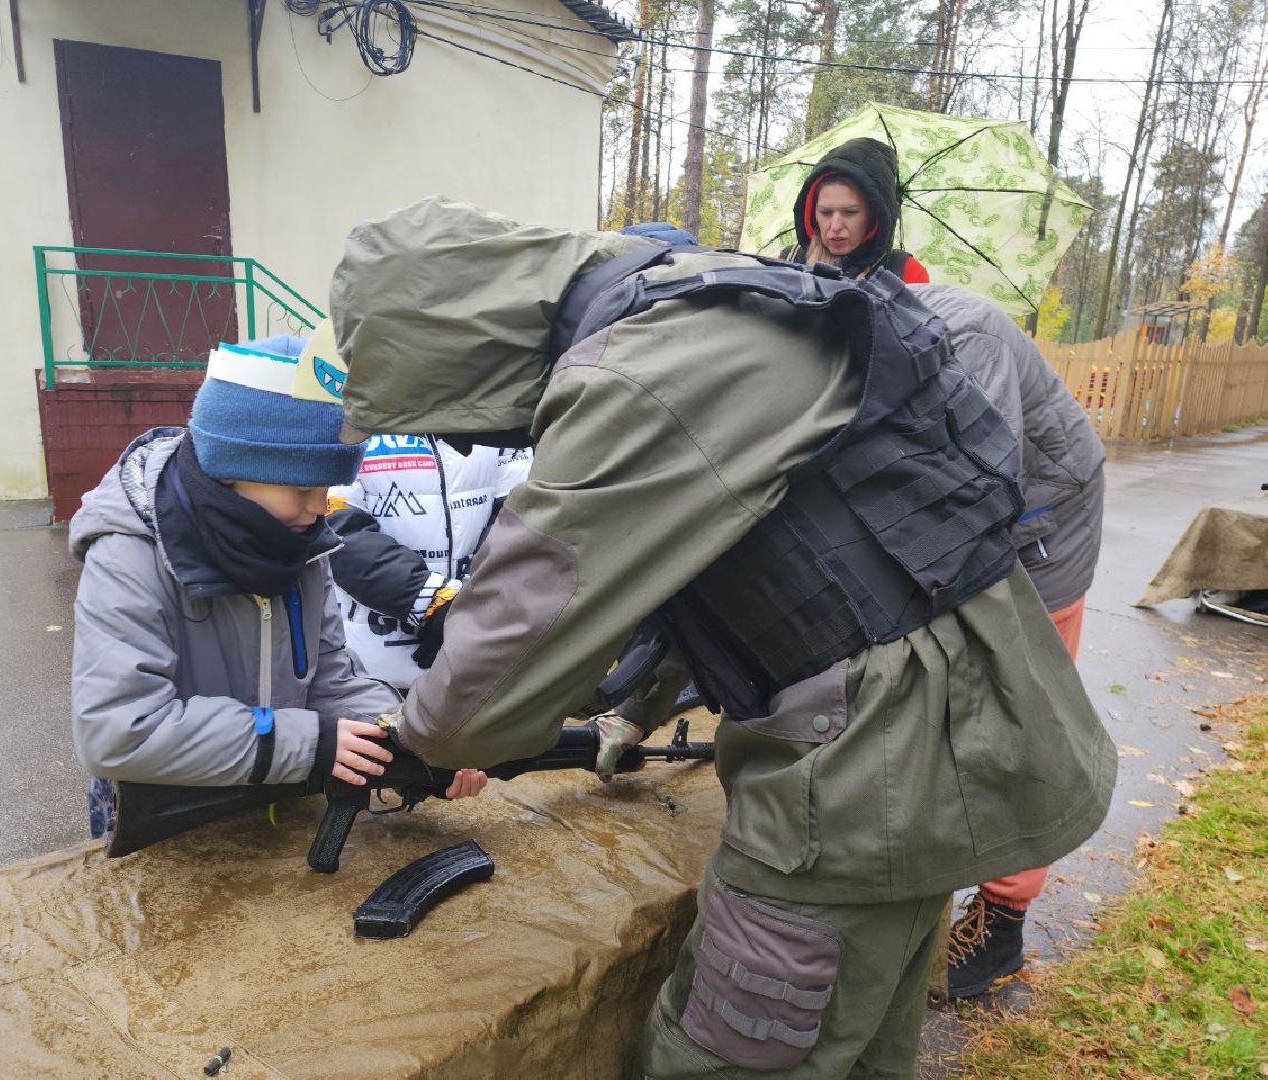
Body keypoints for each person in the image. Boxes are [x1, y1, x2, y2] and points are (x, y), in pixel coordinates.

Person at [328, 196, 1115, 1078]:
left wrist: (423, 741)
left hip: (864, 770)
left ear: (455, 351)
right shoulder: (719, 302)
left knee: (720, 1057)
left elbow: (509, 647)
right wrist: (632, 709)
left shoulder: (637, 373)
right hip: (955, 732)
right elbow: (741, 569)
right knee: (859, 1046)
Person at [70, 336, 486, 837]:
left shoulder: (299, 541)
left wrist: (412, 744)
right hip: (160, 817)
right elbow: (117, 730)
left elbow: (331, 678)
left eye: (327, 488)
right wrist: (305, 744)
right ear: (233, 470)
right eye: (302, 490)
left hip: (280, 790)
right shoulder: (129, 553)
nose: (320, 508)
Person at [913, 284, 1107, 998]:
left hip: (1049, 518)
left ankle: (1002, 923)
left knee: (1025, 706)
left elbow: (983, 477)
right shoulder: (874, 344)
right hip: (989, 516)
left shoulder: (971, 338)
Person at [326, 434, 531, 690]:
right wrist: (435, 603)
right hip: (363, 668)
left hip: (476, 649)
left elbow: (519, 519)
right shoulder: (346, 417)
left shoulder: (497, 415)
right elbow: (338, 532)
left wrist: (471, 605)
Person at [781, 137, 930, 283]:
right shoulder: (787, 262)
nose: (835, 226)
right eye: (826, 212)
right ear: (813, 213)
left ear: (873, 216)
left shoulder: (906, 273)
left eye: (850, 212)